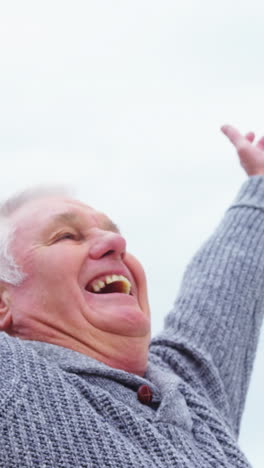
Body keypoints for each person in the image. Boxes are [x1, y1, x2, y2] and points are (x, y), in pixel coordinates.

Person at [0, 124, 263, 467]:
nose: (117, 244)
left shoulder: (191, 389)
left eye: (113, 232)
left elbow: (227, 288)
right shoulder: (13, 377)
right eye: (66, 236)